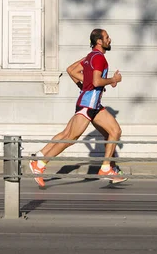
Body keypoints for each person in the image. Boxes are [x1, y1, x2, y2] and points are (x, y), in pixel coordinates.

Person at [29, 29, 127, 187]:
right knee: (70, 138)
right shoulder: (99, 58)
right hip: (88, 105)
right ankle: (39, 164)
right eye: (107, 37)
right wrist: (113, 80)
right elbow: (96, 82)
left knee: (114, 131)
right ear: (99, 42)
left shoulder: (90, 57)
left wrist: (85, 86)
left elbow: (72, 71)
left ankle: (107, 167)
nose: (110, 39)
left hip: (93, 104)